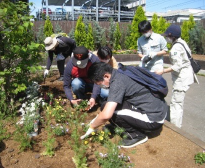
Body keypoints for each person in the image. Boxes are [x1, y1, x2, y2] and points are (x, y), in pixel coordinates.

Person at [81, 62, 168, 148]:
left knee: (112, 112)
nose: (100, 86)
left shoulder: (117, 82)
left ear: (106, 76)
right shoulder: (120, 71)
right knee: (105, 106)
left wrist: (92, 126)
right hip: (156, 108)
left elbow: (106, 115)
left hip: (153, 119)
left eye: (99, 83)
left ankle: (136, 135)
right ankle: (118, 125)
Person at [155, 24, 196, 128]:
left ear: (172, 36)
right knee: (178, 102)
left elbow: (177, 65)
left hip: (182, 79)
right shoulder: (182, 42)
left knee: (176, 103)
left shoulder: (176, 47)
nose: (166, 38)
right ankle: (178, 123)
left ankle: (176, 127)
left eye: (167, 36)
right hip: (186, 75)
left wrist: (163, 71)